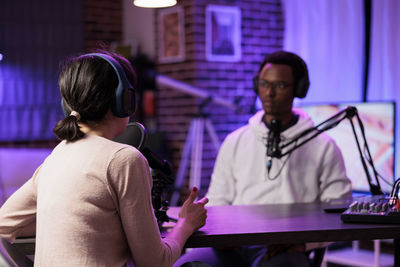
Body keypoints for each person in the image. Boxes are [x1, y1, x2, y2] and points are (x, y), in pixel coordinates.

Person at [0, 51, 208, 267]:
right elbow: (154, 262)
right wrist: (185, 224)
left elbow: (4, 223)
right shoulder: (125, 159)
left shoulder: (58, 155)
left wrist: (74, 223)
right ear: (124, 99)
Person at [173, 51, 352, 267]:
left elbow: (338, 209)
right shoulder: (235, 141)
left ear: (299, 89)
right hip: (233, 244)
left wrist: (303, 243)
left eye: (280, 85)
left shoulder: (324, 146)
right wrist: (219, 235)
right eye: (264, 84)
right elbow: (218, 200)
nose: (269, 93)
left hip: (285, 247)